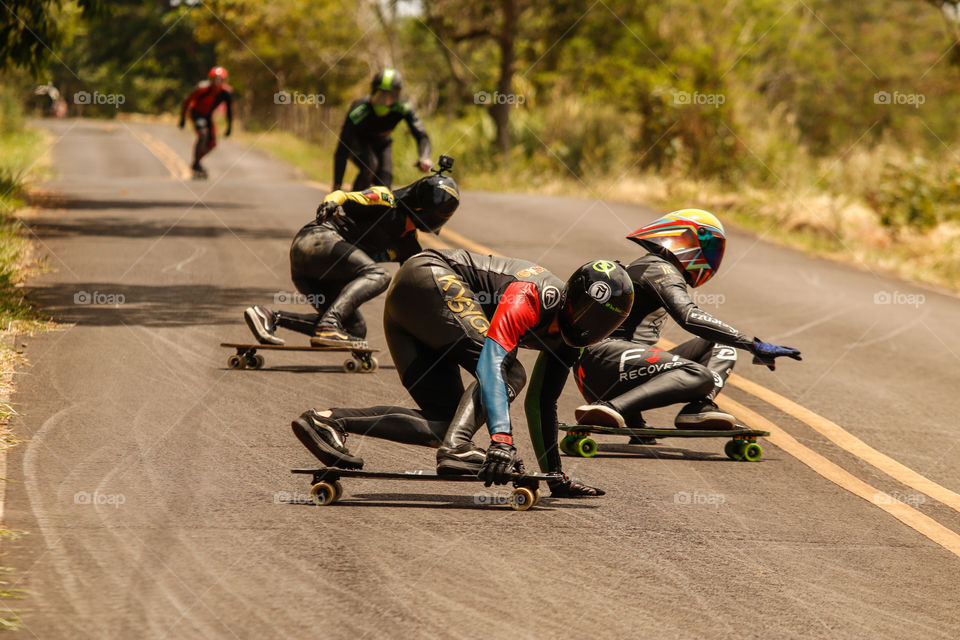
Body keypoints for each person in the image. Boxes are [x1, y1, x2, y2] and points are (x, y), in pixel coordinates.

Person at [290, 250, 634, 497]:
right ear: (569, 294)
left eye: (603, 323)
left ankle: (328, 421)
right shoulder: (533, 295)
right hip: (430, 276)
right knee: (509, 371)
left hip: (409, 310)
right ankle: (458, 449)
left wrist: (554, 476)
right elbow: (491, 364)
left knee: (447, 422)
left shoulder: (574, 340)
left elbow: (543, 401)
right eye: (584, 312)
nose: (588, 325)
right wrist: (501, 441)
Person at [571, 209, 802, 436]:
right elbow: (689, 317)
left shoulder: (650, 266)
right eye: (710, 247)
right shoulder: (660, 268)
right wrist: (752, 344)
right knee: (701, 375)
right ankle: (610, 409)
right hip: (606, 362)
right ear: (684, 239)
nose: (712, 257)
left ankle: (697, 408)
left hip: (606, 367)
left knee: (721, 346)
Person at [243, 160, 460, 348]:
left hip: (315, 274)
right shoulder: (386, 200)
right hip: (317, 240)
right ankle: (329, 325)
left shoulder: (408, 246)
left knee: (355, 330)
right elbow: (343, 196)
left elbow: (420, 287)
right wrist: (330, 202)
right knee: (378, 275)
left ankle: (271, 316)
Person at [333, 68, 432, 191]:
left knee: (385, 182)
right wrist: (337, 185)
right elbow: (342, 148)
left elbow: (421, 134)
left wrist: (424, 156)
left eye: (391, 96)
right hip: (359, 143)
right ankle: (352, 204)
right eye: (381, 95)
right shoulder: (359, 110)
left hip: (383, 143)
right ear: (373, 91)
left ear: (398, 95)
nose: (385, 101)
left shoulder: (404, 108)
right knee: (370, 165)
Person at [178, 66, 233, 177]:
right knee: (203, 134)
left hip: (208, 116)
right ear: (211, 79)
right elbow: (187, 101)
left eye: (220, 80)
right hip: (196, 113)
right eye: (215, 79)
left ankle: (196, 162)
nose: (217, 82)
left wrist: (229, 127)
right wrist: (182, 118)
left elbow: (229, 111)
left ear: (224, 81)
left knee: (212, 144)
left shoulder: (226, 93)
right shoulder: (202, 89)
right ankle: (197, 164)